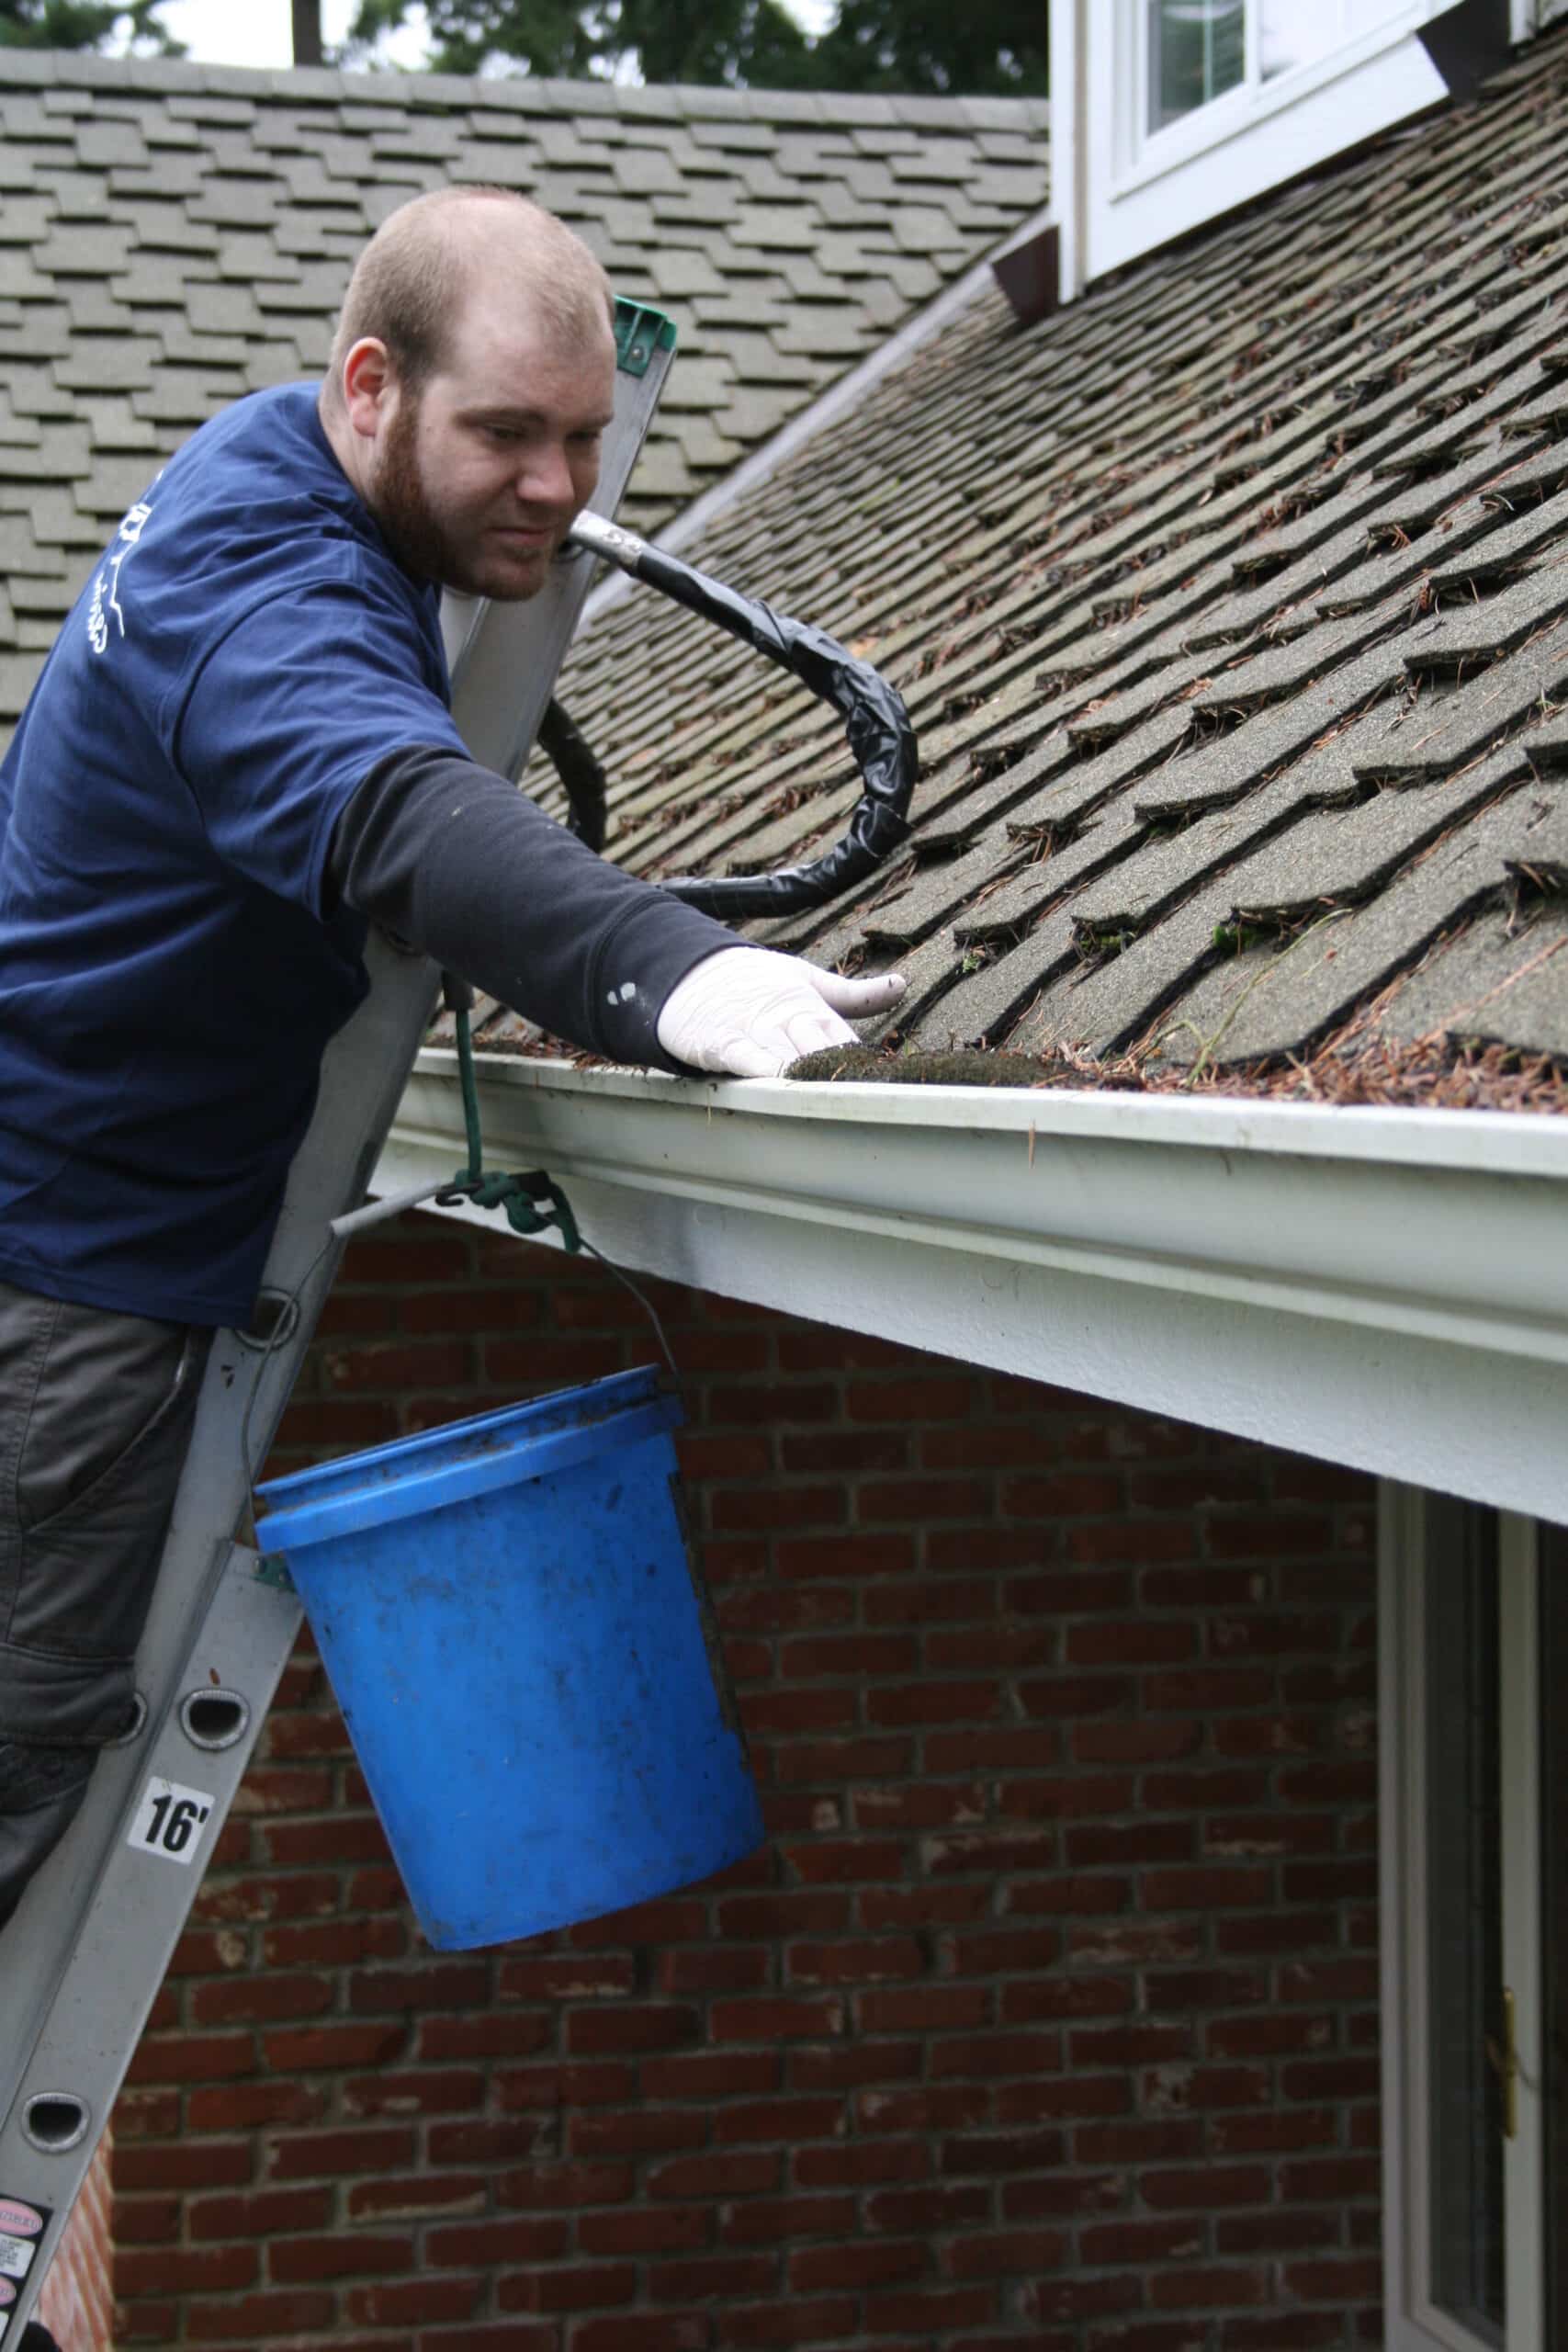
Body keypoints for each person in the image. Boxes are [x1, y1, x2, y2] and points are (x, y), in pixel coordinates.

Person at [0, 185, 903, 1943]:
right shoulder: (260, 597)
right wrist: (673, 974)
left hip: (72, 1221)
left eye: (581, 438)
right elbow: (401, 809)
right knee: (22, 1747)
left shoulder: (269, 472)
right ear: (366, 390)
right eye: (506, 434)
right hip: (65, 1289)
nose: (560, 493)